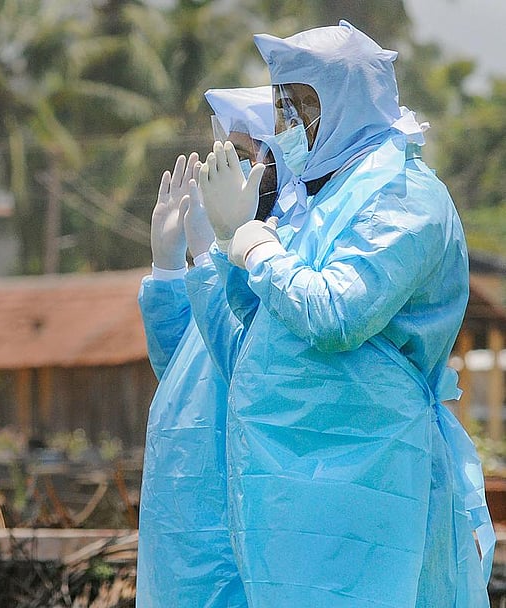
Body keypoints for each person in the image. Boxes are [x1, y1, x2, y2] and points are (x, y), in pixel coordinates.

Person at [187, 21, 492, 607]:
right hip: (288, 476)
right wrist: (228, 246)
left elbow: (336, 313)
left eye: (303, 102)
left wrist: (253, 241)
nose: (288, 124)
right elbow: (258, 320)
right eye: (282, 106)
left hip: (369, 468)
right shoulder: (316, 200)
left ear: (352, 102)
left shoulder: (405, 194)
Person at [137, 86, 284, 607]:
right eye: (221, 154)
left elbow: (246, 363)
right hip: (178, 521)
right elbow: (178, 363)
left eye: (242, 157)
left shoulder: (279, 258)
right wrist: (168, 267)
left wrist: (215, 253)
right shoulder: (229, 255)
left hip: (233, 518)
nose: (225, 172)